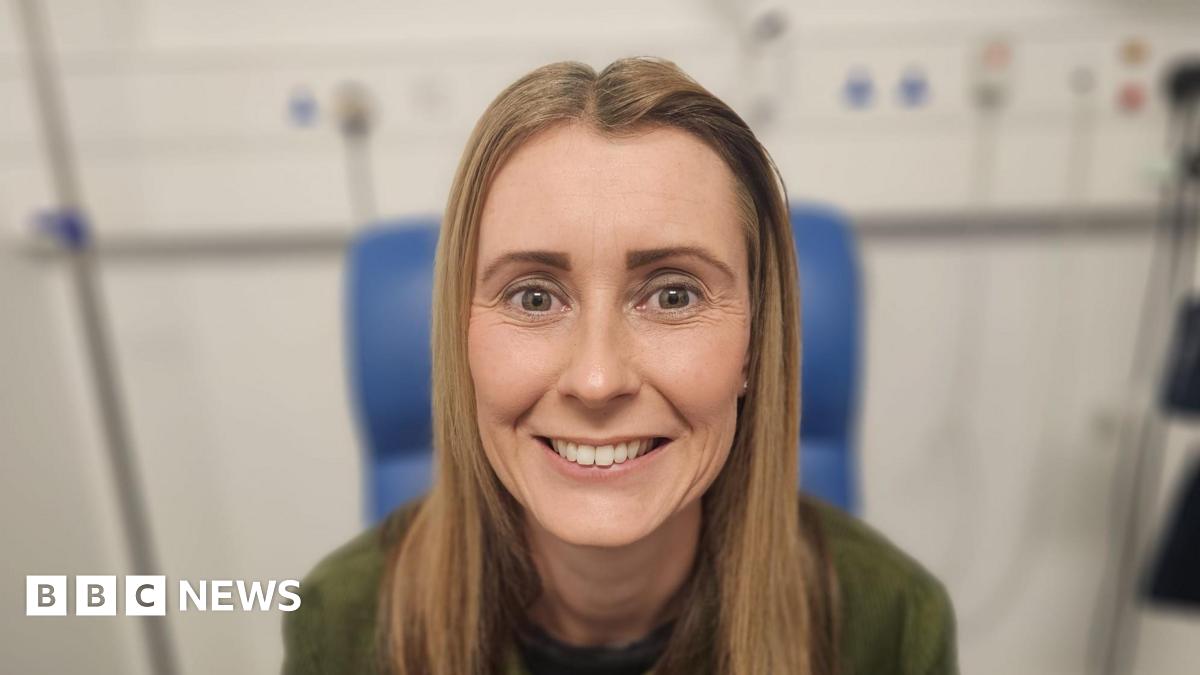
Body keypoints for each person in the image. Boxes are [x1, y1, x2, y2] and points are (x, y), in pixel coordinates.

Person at [282, 57, 957, 675]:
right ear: (461, 337)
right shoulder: (342, 624)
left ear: (755, 343)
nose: (598, 379)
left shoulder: (892, 624)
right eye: (535, 296)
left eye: (672, 294)